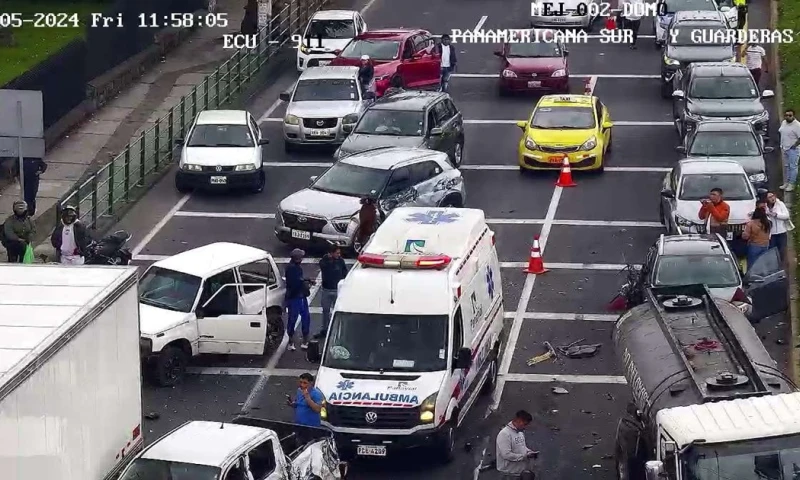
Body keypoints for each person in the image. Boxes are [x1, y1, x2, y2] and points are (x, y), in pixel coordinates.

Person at [284, 248, 314, 351]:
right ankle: (299, 339)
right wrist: (306, 284)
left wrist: (305, 280)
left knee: (298, 318)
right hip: (296, 297)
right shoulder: (294, 269)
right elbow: (296, 283)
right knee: (299, 318)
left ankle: (293, 340)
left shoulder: (292, 267)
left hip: (297, 297)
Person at [315, 245, 348, 339]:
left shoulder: (341, 261)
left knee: (338, 312)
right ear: (331, 253)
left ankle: (339, 331)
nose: (339, 255)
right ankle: (325, 330)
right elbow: (322, 265)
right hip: (326, 290)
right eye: (337, 253)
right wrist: (328, 259)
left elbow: (345, 273)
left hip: (337, 290)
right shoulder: (325, 261)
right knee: (325, 311)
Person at [496, 410, 538, 479]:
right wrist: (524, 456)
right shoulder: (504, 434)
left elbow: (522, 447)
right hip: (509, 472)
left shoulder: (520, 433)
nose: (525, 427)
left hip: (518, 471)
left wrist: (529, 452)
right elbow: (506, 455)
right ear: (518, 421)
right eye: (524, 424)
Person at [766, 191, 794, 259]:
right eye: (769, 197)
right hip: (772, 233)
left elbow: (787, 216)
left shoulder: (780, 204)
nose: (772, 198)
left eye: (773, 196)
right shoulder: (766, 207)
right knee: (772, 251)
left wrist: (777, 215)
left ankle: (783, 265)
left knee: (782, 251)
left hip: (781, 232)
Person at [779, 108, 800, 191]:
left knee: (793, 167)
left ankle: (792, 183)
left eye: (790, 115)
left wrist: (794, 146)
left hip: (793, 150)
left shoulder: (797, 125)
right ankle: (787, 182)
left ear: (793, 116)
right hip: (785, 147)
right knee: (787, 166)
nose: (788, 117)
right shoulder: (784, 123)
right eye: (786, 115)